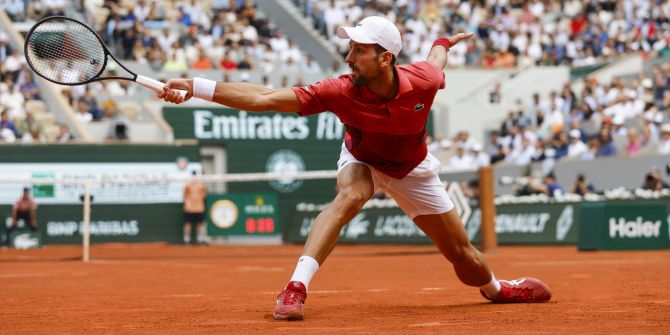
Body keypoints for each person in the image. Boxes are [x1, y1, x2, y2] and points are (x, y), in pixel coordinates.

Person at [160, 16, 551, 320]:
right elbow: (263, 97)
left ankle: (498, 289)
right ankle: (296, 286)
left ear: (385, 57)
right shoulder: (340, 90)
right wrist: (196, 86)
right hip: (361, 158)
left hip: (412, 169)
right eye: (350, 49)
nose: (349, 58)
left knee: (464, 257)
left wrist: (443, 42)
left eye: (359, 50)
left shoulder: (424, 82)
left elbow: (436, 61)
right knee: (351, 195)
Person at [182, 170, 207, 245]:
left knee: (199, 224)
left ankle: (199, 239)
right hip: (189, 208)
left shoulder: (201, 184)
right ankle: (186, 239)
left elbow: (204, 194)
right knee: (188, 223)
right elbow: (184, 194)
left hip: (199, 208)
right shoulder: (188, 184)